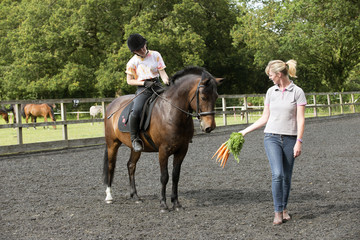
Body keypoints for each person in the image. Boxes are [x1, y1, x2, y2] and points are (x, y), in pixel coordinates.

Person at [239, 59, 306, 225]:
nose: (269, 78)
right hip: (271, 137)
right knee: (278, 174)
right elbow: (265, 117)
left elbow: (301, 119)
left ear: (279, 74)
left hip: (290, 138)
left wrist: (299, 141)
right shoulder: (271, 92)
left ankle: (284, 209)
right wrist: (245, 131)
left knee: (287, 177)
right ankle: (277, 212)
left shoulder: (297, 92)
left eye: (270, 75)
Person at [125, 33, 169, 152]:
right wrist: (144, 83)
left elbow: (162, 73)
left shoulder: (156, 55)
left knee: (173, 102)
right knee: (136, 110)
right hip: (143, 88)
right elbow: (129, 81)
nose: (143, 50)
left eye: (143, 46)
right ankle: (134, 139)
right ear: (135, 51)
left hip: (157, 85)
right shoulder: (132, 63)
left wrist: (167, 81)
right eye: (139, 50)